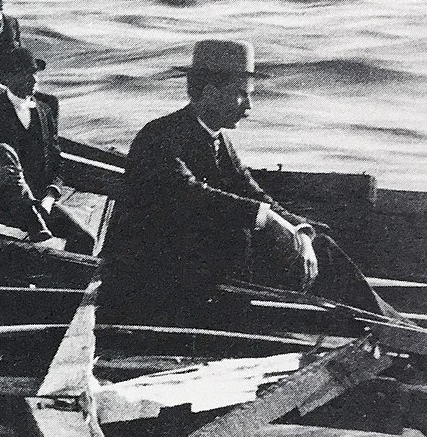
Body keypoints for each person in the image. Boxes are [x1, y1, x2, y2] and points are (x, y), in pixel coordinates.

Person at [98, 39, 392, 325]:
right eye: (241, 94)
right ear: (211, 92)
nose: (249, 107)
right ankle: (388, 329)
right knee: (268, 244)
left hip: (197, 261)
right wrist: (267, 220)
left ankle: (388, 326)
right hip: (149, 278)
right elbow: (191, 195)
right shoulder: (159, 137)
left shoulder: (219, 139)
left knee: (320, 243)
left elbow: (251, 191)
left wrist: (300, 231)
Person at [0, 47, 95, 251]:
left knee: (85, 238)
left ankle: (59, 283)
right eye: (25, 74)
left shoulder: (45, 110)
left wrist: (50, 198)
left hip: (39, 202)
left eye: (34, 73)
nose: (33, 80)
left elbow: (57, 163)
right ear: (8, 78)